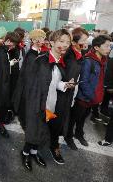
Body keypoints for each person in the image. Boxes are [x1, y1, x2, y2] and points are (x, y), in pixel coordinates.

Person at [20, 29, 73, 171]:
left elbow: (53, 82)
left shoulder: (59, 62)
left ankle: (34, 153)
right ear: (52, 42)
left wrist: (64, 85)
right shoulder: (40, 61)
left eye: (68, 42)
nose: (66, 45)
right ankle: (25, 153)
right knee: (33, 132)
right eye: (62, 41)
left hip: (51, 104)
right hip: (37, 106)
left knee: (41, 132)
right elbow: (30, 88)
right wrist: (35, 108)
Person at [66, 35, 111, 148]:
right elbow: (83, 82)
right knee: (74, 118)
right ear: (96, 47)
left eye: (110, 46)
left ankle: (79, 134)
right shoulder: (88, 61)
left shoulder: (104, 61)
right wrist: (93, 96)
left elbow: (100, 80)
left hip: (93, 98)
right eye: (106, 46)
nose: (109, 48)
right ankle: (68, 136)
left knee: (83, 118)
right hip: (84, 97)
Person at [12, 29, 46, 130]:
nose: (44, 41)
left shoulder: (37, 53)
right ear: (35, 40)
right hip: (30, 90)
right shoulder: (32, 55)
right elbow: (30, 76)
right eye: (42, 38)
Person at [61, 27, 89, 150]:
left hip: (75, 90)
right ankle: (64, 137)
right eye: (84, 40)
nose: (86, 43)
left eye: (87, 40)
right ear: (74, 42)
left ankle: (69, 134)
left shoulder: (81, 53)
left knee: (73, 115)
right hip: (65, 90)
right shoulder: (68, 54)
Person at [0, 32, 19, 138]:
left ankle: (0, 119)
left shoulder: (3, 50)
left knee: (2, 105)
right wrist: (9, 65)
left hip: (3, 83)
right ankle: (1, 125)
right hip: (2, 84)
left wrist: (9, 63)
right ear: (8, 41)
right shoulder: (1, 51)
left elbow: (2, 67)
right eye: (13, 44)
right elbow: (0, 70)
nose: (13, 46)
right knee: (3, 105)